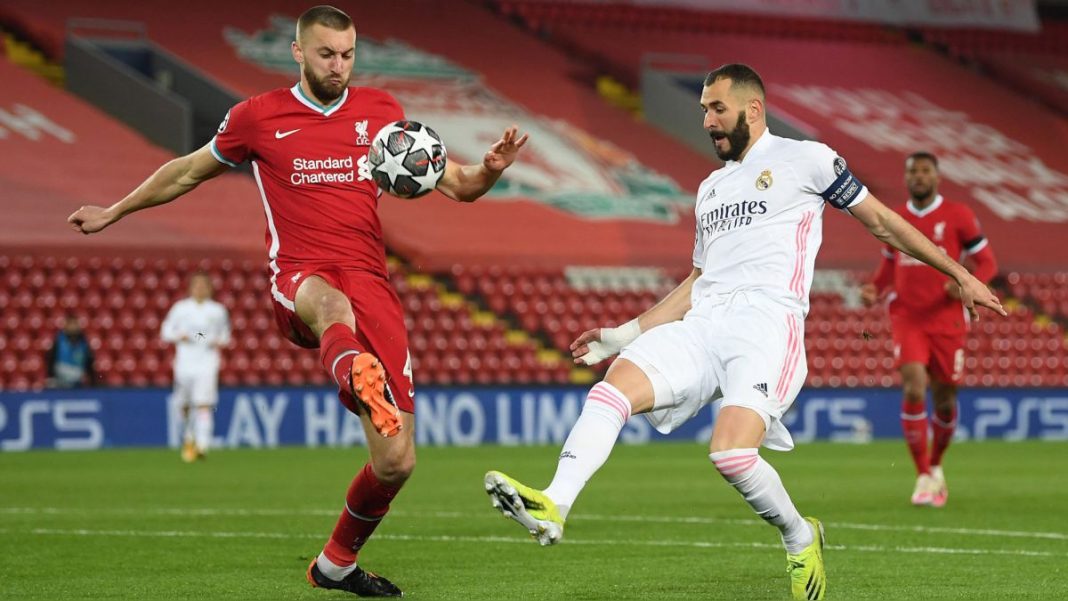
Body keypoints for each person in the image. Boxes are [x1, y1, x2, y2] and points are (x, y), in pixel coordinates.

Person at [483, 64, 1004, 601]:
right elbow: (698, 279)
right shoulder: (710, 189)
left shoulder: (808, 159)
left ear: (753, 110)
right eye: (703, 110)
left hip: (766, 326)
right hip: (703, 323)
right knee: (612, 388)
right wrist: (624, 333)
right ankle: (555, 503)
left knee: (730, 455)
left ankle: (800, 536)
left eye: (717, 109)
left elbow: (882, 222)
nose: (707, 121)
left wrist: (960, 274)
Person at [67, 5, 527, 597]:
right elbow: (186, 172)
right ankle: (354, 371)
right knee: (333, 309)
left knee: (396, 462)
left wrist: (489, 169)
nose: (339, 65)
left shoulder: (382, 114)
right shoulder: (257, 118)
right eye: (327, 54)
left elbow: (458, 185)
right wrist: (114, 211)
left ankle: (334, 564)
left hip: (371, 282)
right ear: (298, 52)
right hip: (301, 276)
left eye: (348, 54)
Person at [860, 152, 997, 508]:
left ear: (936, 177)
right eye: (913, 172)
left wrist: (967, 283)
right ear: (906, 178)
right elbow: (890, 265)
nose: (919, 177)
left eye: (925, 171)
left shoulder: (959, 215)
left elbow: (987, 262)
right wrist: (875, 288)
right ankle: (922, 474)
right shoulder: (896, 217)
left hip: (947, 319)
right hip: (908, 317)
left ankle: (936, 466)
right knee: (913, 385)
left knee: (945, 398)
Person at [160, 271, 232, 463]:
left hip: (207, 363)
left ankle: (202, 445)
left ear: (210, 288)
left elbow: (226, 335)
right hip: (184, 363)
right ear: (190, 288)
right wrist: (179, 336)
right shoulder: (180, 308)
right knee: (183, 405)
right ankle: (189, 437)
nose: (200, 288)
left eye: (203, 285)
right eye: (196, 285)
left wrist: (218, 340)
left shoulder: (218, 310)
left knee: (203, 403)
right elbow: (165, 331)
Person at [44, 314, 96, 388]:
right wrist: (50, 376)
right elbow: (51, 359)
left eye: (75, 324)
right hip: (61, 377)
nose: (73, 327)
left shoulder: (83, 342)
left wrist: (92, 381)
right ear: (66, 326)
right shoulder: (59, 340)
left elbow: (89, 362)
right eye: (70, 324)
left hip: (78, 378)